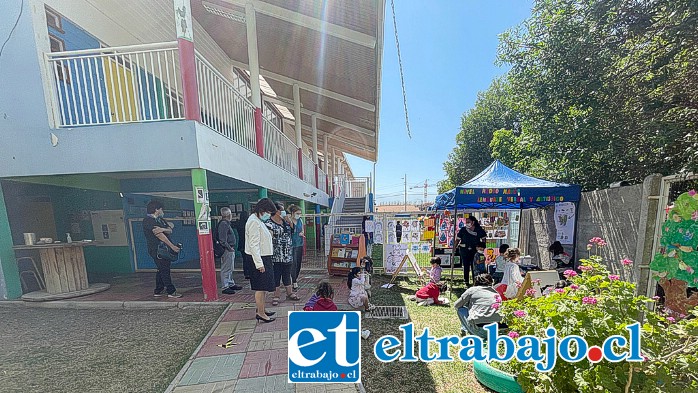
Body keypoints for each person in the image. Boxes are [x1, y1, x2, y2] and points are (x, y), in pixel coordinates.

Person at [245, 198, 277, 323]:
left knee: (264, 286)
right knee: (260, 286)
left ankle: (262, 309)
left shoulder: (258, 220)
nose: (268, 215)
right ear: (261, 210)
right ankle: (261, 313)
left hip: (264, 256)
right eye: (268, 212)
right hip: (258, 258)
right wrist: (259, 264)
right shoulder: (253, 221)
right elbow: (254, 245)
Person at [142, 200, 182, 298]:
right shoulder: (148, 220)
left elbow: (169, 230)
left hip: (164, 249)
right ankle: (171, 291)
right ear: (156, 209)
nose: (162, 210)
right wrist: (172, 246)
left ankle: (158, 290)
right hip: (157, 249)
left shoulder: (160, 220)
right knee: (164, 270)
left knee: (161, 269)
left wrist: (163, 229)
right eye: (161, 209)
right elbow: (159, 235)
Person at [266, 202, 301, 306]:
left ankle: (289, 293)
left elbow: (292, 230)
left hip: (287, 254)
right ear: (277, 212)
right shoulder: (269, 224)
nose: (284, 212)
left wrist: (289, 221)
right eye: (282, 210)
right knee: (276, 275)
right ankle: (276, 295)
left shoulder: (285, 222)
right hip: (276, 255)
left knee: (287, 274)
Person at [454, 273, 502, 338]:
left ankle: (468, 331)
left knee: (461, 310)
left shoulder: (472, 290)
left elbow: (456, 305)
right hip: (496, 331)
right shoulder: (495, 293)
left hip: (480, 331)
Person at [453, 216, 487, 286]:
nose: (467, 223)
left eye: (469, 222)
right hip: (464, 251)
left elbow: (484, 239)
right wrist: (454, 248)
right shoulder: (463, 230)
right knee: (466, 266)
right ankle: (466, 282)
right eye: (466, 222)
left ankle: (476, 281)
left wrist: (482, 247)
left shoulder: (478, 229)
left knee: (474, 266)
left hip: (475, 251)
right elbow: (457, 240)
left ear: (473, 222)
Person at [218, 207, 243, 295]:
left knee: (230, 267)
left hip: (229, 248)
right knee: (226, 268)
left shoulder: (227, 223)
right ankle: (225, 286)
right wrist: (229, 247)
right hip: (227, 249)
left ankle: (230, 283)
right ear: (229, 215)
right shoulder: (224, 224)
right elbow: (222, 239)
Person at [287, 204, 305, 291]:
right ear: (293, 213)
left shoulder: (300, 221)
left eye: (300, 213)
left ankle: (295, 278)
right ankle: (293, 280)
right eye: (297, 213)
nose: (299, 215)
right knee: (293, 263)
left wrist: (302, 233)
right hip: (291, 245)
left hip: (299, 243)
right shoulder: (288, 221)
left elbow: (302, 230)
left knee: (298, 263)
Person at [237, 211, 254, 280]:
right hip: (248, 244)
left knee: (244, 260)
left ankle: (246, 273)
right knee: (249, 259)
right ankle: (250, 272)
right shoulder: (248, 224)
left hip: (241, 244)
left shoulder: (239, 224)